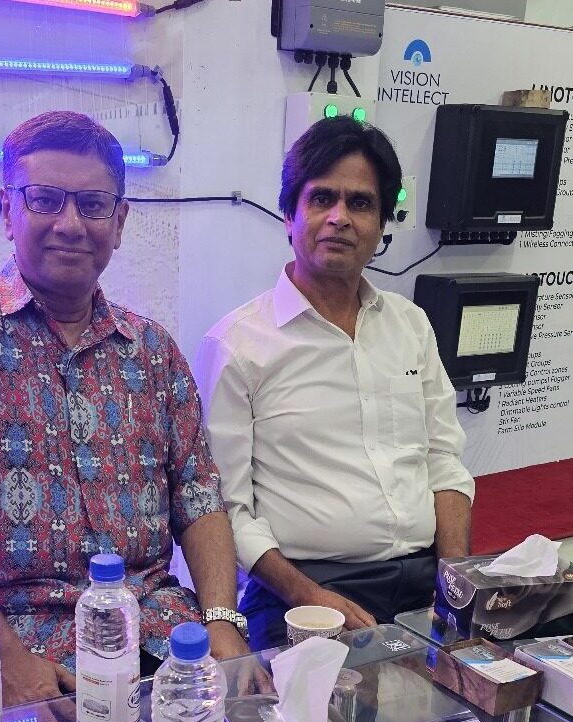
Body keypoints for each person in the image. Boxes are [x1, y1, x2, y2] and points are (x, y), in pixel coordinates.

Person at [0, 111, 251, 718]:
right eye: (45, 199)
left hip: (161, 645)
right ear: (8, 209)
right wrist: (6, 660)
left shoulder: (152, 351)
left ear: (119, 222)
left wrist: (223, 622)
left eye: (93, 205)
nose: (70, 224)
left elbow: (199, 496)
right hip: (19, 649)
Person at [195, 116, 475, 651]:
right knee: (330, 709)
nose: (340, 218)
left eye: (361, 203)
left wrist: (456, 582)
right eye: (322, 198)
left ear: (382, 224)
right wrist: (308, 595)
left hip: (429, 580)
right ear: (289, 214)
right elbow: (228, 508)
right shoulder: (237, 344)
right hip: (303, 592)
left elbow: (444, 461)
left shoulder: (411, 325)